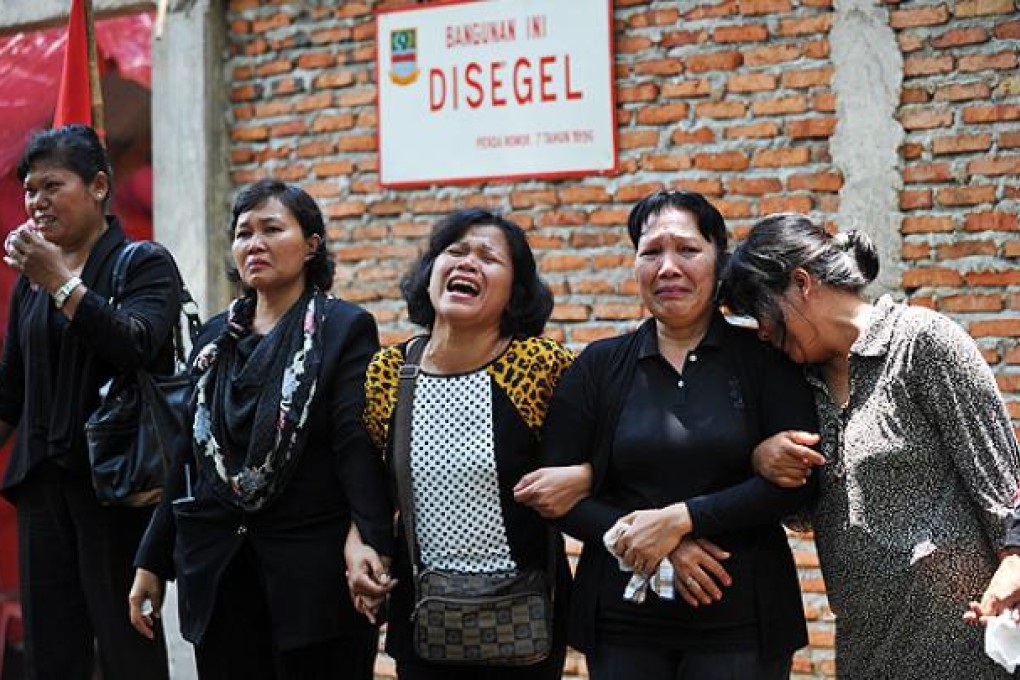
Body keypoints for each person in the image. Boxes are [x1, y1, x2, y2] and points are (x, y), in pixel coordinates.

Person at [524, 190, 818, 680]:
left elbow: (801, 480)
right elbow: (556, 496)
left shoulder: (766, 358)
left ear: (719, 260)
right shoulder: (598, 367)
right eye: (651, 251)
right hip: (623, 623)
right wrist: (652, 540)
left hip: (742, 619)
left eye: (687, 249)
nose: (668, 267)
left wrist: (683, 519)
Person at [724, 212, 1020, 678]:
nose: (761, 331)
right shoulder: (799, 383)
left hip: (961, 641)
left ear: (801, 283)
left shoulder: (920, 343)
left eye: (760, 311)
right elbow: (803, 511)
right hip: (867, 648)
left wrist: (1014, 560)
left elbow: (1000, 473)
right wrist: (765, 458)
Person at [129, 179, 394, 679]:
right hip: (220, 572)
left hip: (311, 578)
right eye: (244, 232)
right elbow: (191, 453)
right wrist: (152, 560)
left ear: (311, 243)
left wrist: (371, 539)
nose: (255, 243)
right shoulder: (214, 337)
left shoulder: (342, 328)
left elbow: (354, 441)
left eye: (272, 229)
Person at [352, 208, 576, 680]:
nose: (467, 263)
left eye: (488, 257)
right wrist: (358, 545)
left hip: (525, 615)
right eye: (454, 252)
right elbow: (373, 480)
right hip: (428, 617)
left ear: (514, 291)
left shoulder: (540, 366)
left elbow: (588, 461)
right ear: (429, 273)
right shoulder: (389, 373)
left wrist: (581, 476)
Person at [0, 124, 172, 679]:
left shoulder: (142, 263)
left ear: (98, 186)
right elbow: (12, 390)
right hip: (41, 491)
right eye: (29, 190)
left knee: (129, 651)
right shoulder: (29, 281)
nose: (36, 202)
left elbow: (137, 344)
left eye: (52, 186)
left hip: (115, 491)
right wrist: (45, 277)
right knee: (52, 655)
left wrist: (60, 282)